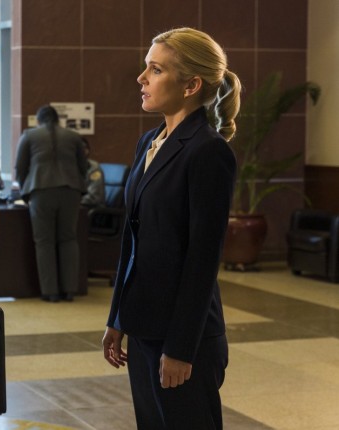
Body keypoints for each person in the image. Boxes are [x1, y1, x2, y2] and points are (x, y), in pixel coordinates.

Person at [100, 27, 240, 429]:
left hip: (183, 338)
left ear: (191, 85)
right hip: (143, 325)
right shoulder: (149, 142)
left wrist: (180, 348)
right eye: (146, 67)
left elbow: (202, 260)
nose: (141, 78)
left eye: (156, 70)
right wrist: (117, 318)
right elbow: (132, 241)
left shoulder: (208, 151)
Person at [15, 105, 86, 302]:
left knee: (44, 242)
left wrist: (26, 190)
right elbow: (83, 167)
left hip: (41, 191)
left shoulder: (29, 136)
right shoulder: (73, 136)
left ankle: (50, 292)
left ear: (38, 120)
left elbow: (20, 168)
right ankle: (69, 290)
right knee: (68, 238)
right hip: (70, 191)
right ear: (57, 119)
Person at [80, 137, 106, 208]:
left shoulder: (94, 169)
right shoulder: (68, 168)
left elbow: (94, 197)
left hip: (92, 208)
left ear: (86, 151)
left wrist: (71, 201)